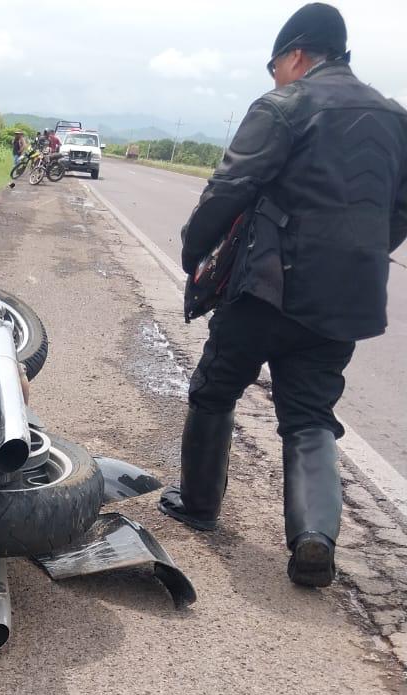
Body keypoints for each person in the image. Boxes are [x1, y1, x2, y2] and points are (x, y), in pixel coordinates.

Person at [160, 3, 407, 588]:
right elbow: (396, 213)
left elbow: (230, 186)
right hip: (345, 300)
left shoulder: (285, 104)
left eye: (276, 66)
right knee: (310, 415)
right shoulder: (396, 118)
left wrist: (195, 251)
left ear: (296, 55)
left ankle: (199, 506)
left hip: (268, 287)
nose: (273, 77)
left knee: (215, 388)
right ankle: (314, 538)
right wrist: (360, 252)